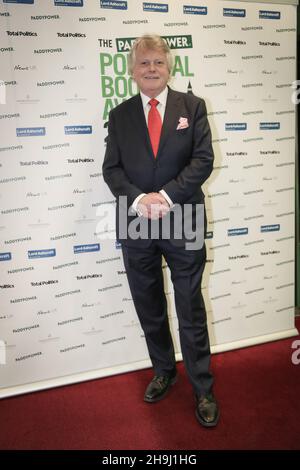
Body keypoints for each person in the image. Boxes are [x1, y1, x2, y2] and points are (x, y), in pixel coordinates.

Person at [102, 34, 219, 427]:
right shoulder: (119, 116)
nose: (151, 69)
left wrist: (166, 197)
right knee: (148, 303)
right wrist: (139, 201)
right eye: (143, 63)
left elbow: (203, 159)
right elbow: (112, 169)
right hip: (136, 219)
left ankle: (202, 386)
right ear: (132, 71)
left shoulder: (193, 107)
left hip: (182, 214)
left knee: (189, 305)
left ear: (170, 67)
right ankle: (164, 370)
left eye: (158, 62)